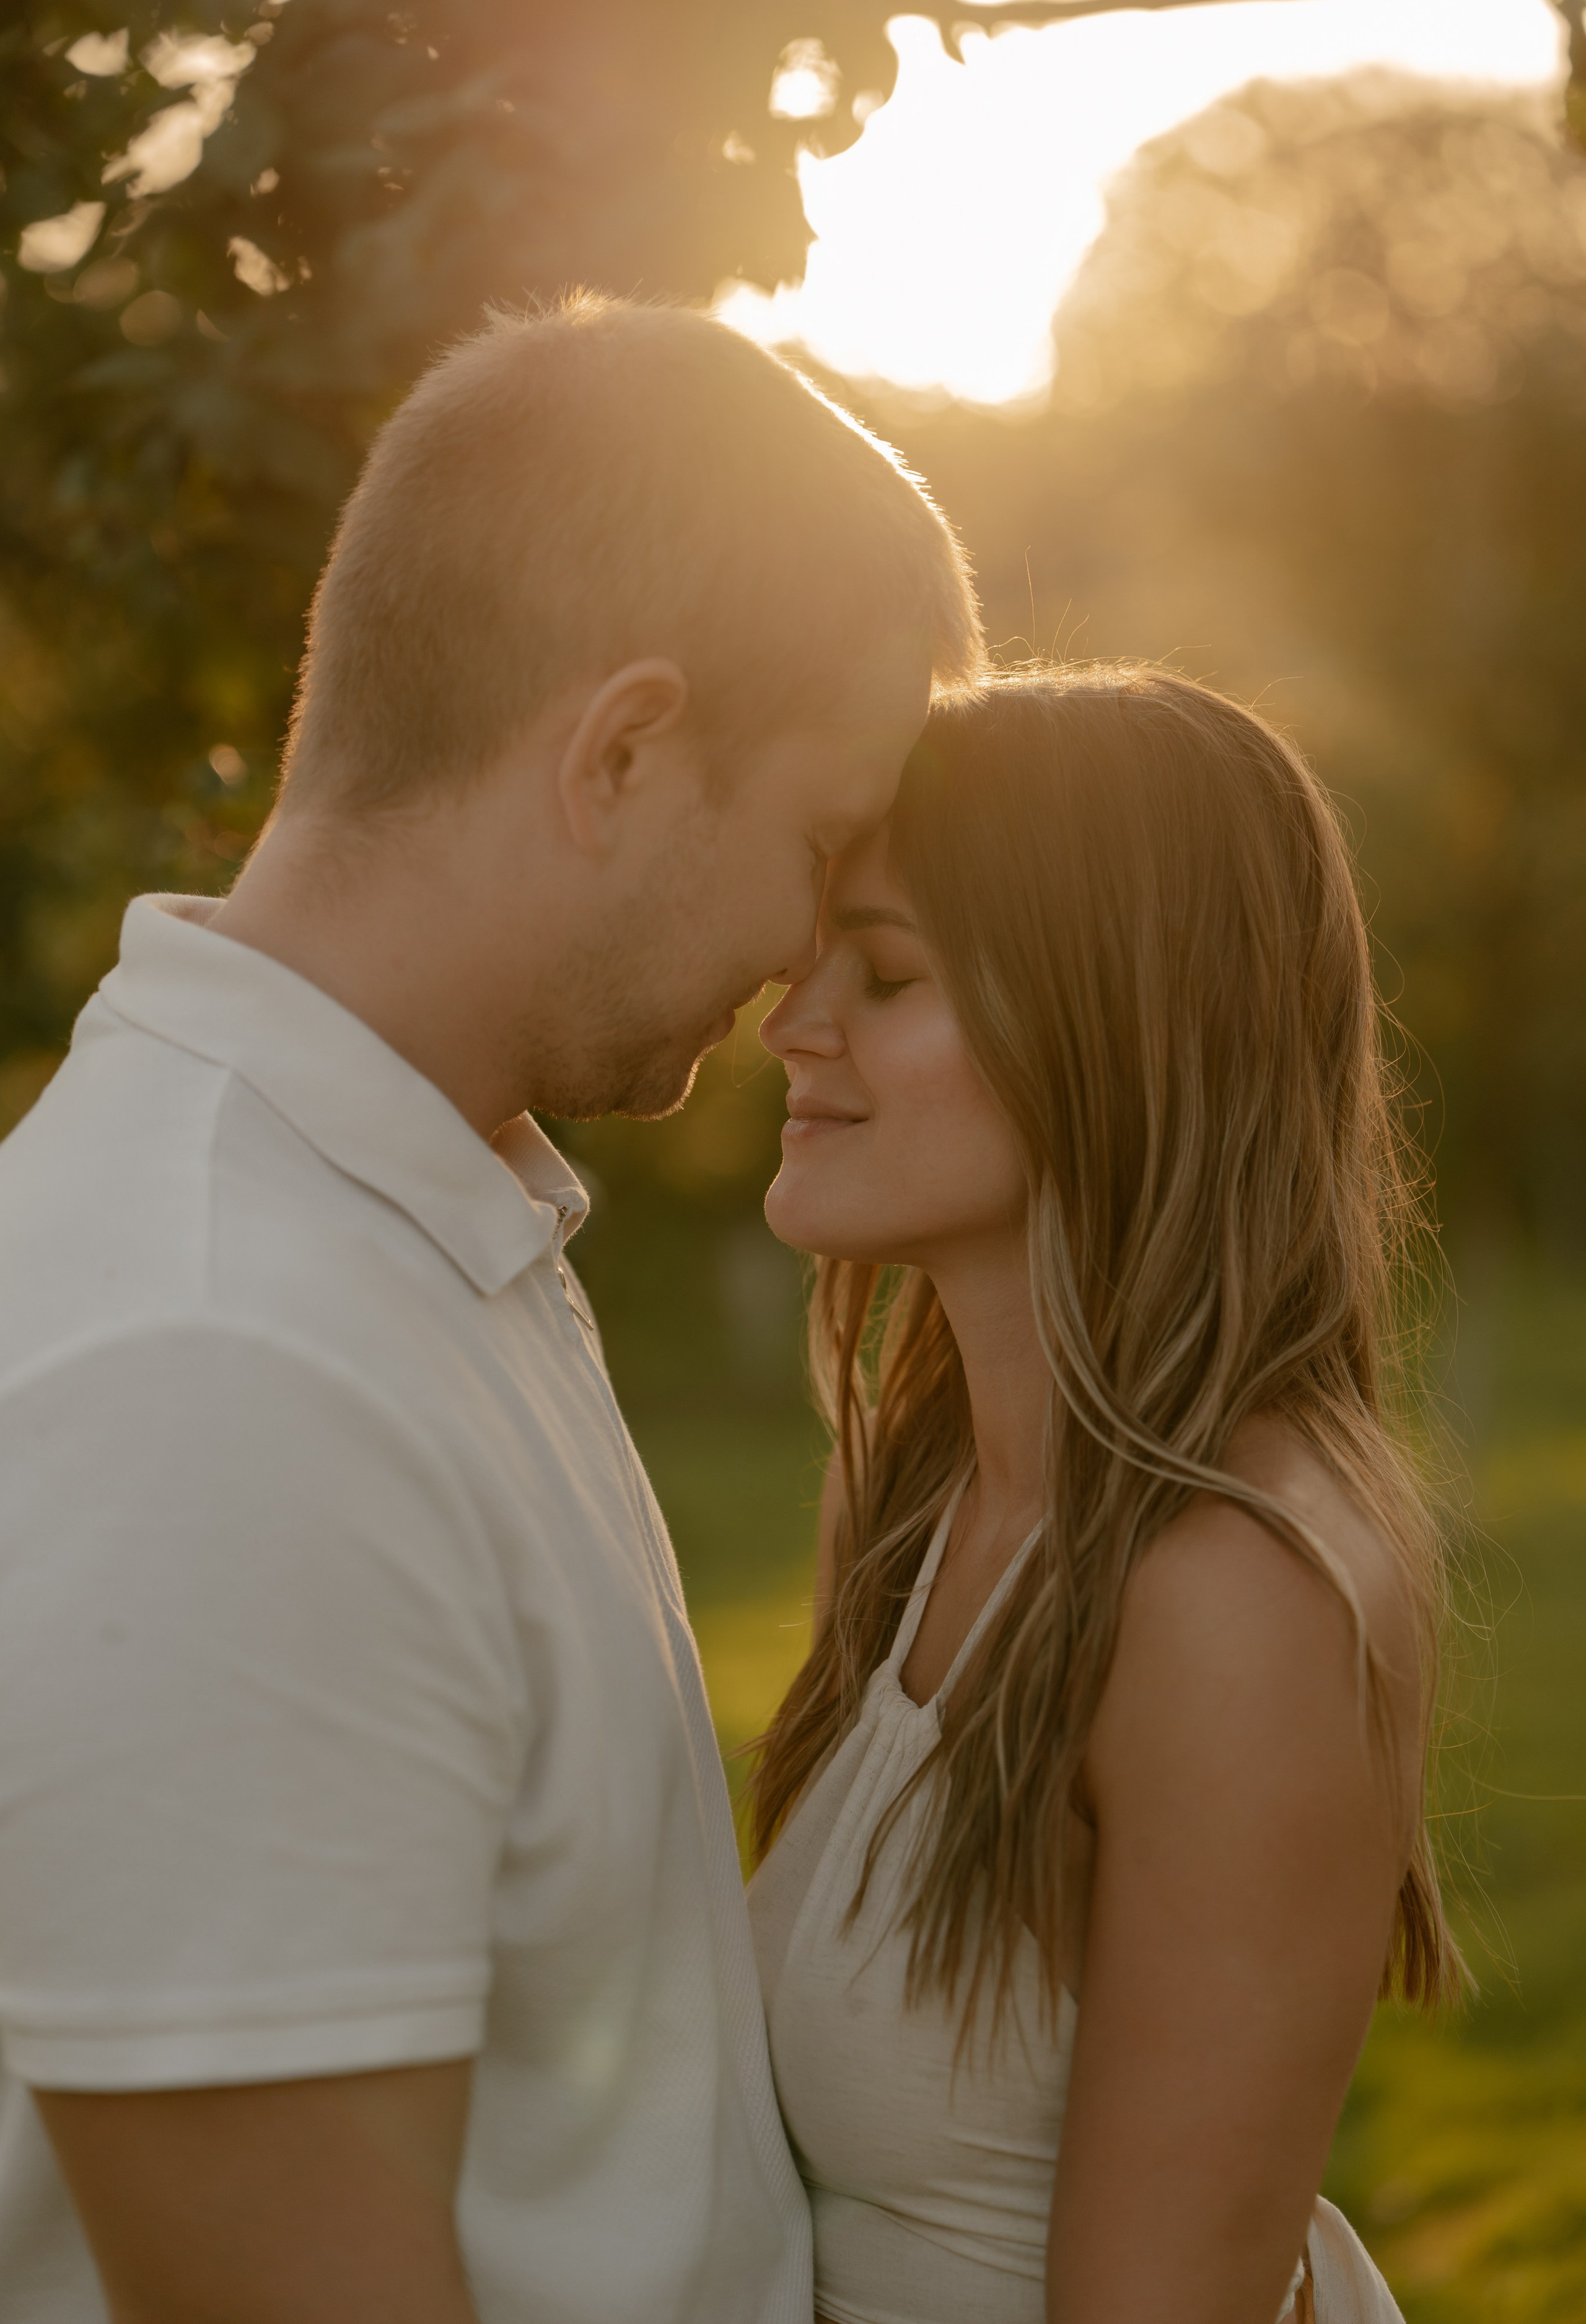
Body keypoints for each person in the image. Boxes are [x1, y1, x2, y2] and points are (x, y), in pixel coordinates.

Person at [0, 295, 983, 2324]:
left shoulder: (396, 1230)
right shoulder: (222, 1374)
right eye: (818, 845)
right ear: (621, 750)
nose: (813, 952)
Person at [748, 665, 1463, 2324]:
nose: (793, 1023)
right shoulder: (918, 1503)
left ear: (1113, 1030)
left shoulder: (1235, 1592)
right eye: (813, 958)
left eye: (890, 973)